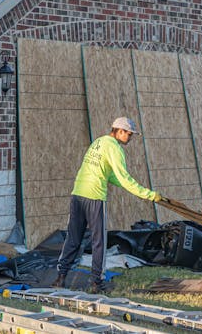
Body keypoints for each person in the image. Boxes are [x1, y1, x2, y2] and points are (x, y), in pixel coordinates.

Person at [54, 117, 163, 293]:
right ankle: (97, 283)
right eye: (129, 134)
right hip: (95, 197)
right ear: (119, 131)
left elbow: (109, 176)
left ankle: (60, 277)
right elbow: (124, 178)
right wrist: (148, 195)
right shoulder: (114, 148)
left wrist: (124, 184)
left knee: (73, 239)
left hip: (78, 194)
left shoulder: (98, 142)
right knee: (99, 242)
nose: (131, 138)